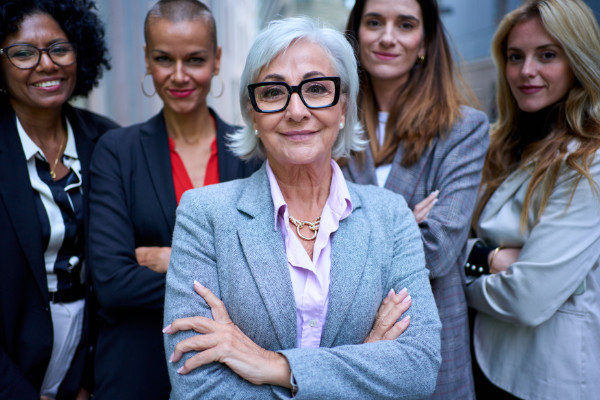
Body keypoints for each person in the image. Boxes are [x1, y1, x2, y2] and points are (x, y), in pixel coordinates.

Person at [162, 16, 441, 399]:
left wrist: (275, 367)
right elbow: (197, 386)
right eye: (274, 93)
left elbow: (419, 369)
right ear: (253, 113)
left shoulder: (391, 215)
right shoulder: (205, 214)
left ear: (343, 106)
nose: (297, 110)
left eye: (316, 88)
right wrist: (364, 364)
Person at [87, 0, 258, 398]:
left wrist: (171, 259)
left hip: (230, 378)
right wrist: (227, 278)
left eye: (195, 60)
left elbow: (271, 277)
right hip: (135, 372)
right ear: (147, 59)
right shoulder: (117, 152)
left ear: (216, 60)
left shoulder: (252, 155)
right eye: (164, 59)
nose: (179, 76)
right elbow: (113, 284)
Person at [343, 0, 489, 398]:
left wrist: (347, 231)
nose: (387, 37)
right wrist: (406, 219)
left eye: (405, 24)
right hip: (344, 345)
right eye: (374, 22)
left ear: (424, 41)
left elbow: (439, 250)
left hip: (430, 352)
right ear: (356, 35)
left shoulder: (463, 130)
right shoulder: (327, 120)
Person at [465, 0, 600, 398]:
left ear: (578, 59)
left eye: (547, 55)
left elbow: (527, 298)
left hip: (546, 379)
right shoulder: (500, 145)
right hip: (488, 360)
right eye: (515, 56)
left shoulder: (590, 161)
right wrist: (490, 256)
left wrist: (464, 266)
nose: (526, 71)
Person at [0, 0, 118, 399]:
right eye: (23, 53)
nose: (46, 64)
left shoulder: (109, 143)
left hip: (88, 363)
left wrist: (90, 380)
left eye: (59, 48)